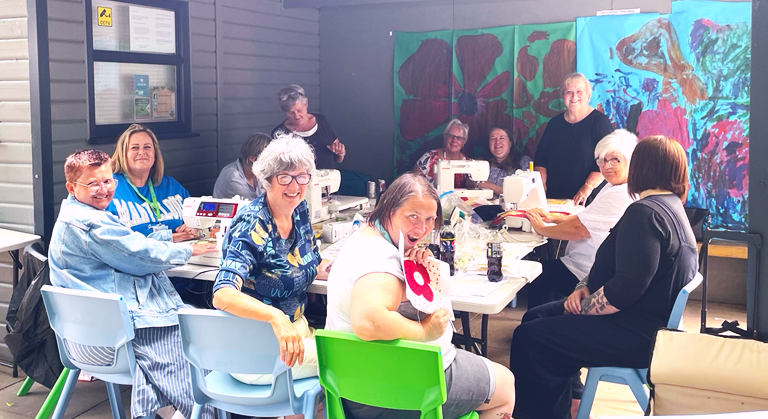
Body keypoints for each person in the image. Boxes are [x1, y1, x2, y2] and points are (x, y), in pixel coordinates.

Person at [509, 135, 698, 419]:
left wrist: (581, 309)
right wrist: (584, 286)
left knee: (530, 338)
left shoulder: (644, 213)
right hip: (642, 323)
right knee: (535, 318)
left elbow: (626, 288)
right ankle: (567, 403)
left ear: (641, 168)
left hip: (636, 333)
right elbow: (623, 271)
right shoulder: (670, 208)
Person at [325, 173, 516, 419]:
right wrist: (425, 332)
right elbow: (368, 322)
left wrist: (414, 271)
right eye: (412, 216)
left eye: (430, 219)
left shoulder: (365, 236)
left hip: (355, 385)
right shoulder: (380, 257)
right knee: (505, 386)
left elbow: (385, 296)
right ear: (389, 209)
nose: (422, 228)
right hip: (396, 391)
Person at [49, 149, 217, 419]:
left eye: (108, 181)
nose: (103, 189)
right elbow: (139, 256)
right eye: (93, 183)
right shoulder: (92, 224)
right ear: (72, 186)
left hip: (83, 337)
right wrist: (192, 249)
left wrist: (166, 236)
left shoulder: (74, 212)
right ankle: (201, 411)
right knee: (204, 348)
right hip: (115, 341)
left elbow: (127, 243)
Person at [212, 135, 331, 390]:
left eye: (302, 176)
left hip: (295, 332)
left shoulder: (298, 211)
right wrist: (275, 317)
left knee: (349, 340)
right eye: (284, 177)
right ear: (267, 180)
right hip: (257, 346)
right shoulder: (253, 224)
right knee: (346, 360)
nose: (295, 185)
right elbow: (222, 294)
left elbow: (312, 264)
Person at [525, 129, 637, 309]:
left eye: (614, 160)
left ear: (630, 160)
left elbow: (579, 230)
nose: (606, 166)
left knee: (537, 275)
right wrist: (553, 218)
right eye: (602, 160)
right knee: (545, 272)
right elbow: (584, 220)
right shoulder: (614, 186)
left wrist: (541, 228)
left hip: (588, 270)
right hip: (586, 262)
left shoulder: (621, 195)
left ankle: (539, 324)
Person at [107, 124, 198, 242]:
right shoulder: (108, 188)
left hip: (186, 255)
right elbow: (112, 239)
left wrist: (193, 227)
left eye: (147, 147)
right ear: (123, 154)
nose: (142, 152)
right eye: (134, 148)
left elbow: (199, 221)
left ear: (155, 154)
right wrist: (169, 238)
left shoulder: (171, 185)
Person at [534, 73, 614, 205]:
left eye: (579, 92)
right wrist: (541, 186)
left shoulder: (600, 122)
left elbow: (606, 160)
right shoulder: (554, 123)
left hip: (586, 200)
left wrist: (587, 187)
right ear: (563, 96)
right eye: (569, 92)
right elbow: (541, 158)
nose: (574, 96)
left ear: (588, 95)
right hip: (554, 199)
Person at [272, 84, 346, 169]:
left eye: (299, 110)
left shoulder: (321, 120)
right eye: (291, 112)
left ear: (306, 104)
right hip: (301, 181)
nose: (296, 116)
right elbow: (281, 168)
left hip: (328, 179)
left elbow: (338, 159)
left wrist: (341, 153)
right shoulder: (280, 133)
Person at [471, 127, 533, 196]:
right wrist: (473, 183)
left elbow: (525, 193)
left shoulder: (524, 162)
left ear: (510, 143)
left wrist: (491, 186)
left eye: (502, 138)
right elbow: (469, 183)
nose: (497, 142)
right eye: (493, 139)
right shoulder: (480, 162)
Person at [413, 119, 470, 189]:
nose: (454, 140)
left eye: (459, 138)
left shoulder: (468, 163)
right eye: (451, 136)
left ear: (464, 142)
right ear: (445, 137)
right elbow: (413, 180)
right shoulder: (429, 157)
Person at [213, 133, 272, 200]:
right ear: (252, 158)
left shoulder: (256, 172)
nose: (271, 163)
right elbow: (255, 206)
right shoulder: (234, 178)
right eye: (267, 159)